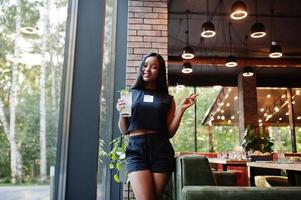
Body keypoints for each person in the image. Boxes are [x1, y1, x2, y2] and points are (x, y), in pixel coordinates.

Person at [116, 52, 198, 200]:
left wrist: (181, 109)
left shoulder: (168, 99)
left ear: (159, 72)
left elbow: (170, 132)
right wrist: (122, 113)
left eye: (154, 67)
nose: (148, 69)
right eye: (145, 65)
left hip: (161, 150)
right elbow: (124, 130)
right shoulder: (128, 95)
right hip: (136, 150)